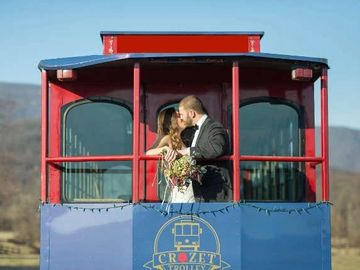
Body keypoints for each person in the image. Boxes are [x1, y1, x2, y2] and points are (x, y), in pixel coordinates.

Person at [165, 95, 232, 202]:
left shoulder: (214, 127)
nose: (180, 118)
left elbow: (217, 148)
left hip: (215, 193)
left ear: (192, 113)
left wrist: (187, 152)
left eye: (181, 114)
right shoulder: (192, 131)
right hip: (201, 192)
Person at [146, 107, 196, 203]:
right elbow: (147, 153)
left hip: (190, 189)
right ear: (172, 122)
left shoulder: (182, 139)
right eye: (178, 116)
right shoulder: (167, 139)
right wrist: (164, 149)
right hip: (182, 191)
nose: (182, 118)